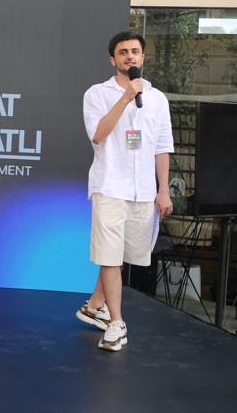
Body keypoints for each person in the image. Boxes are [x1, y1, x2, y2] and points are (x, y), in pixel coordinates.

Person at [76, 31, 174, 351]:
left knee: (120, 257)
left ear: (142, 57)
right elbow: (98, 134)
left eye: (134, 51)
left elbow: (162, 147)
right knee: (109, 256)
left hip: (142, 190)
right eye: (123, 52)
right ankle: (116, 323)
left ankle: (94, 305)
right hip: (109, 186)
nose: (130, 56)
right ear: (113, 60)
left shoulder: (157, 99)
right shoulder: (97, 94)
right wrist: (125, 98)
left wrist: (163, 190)